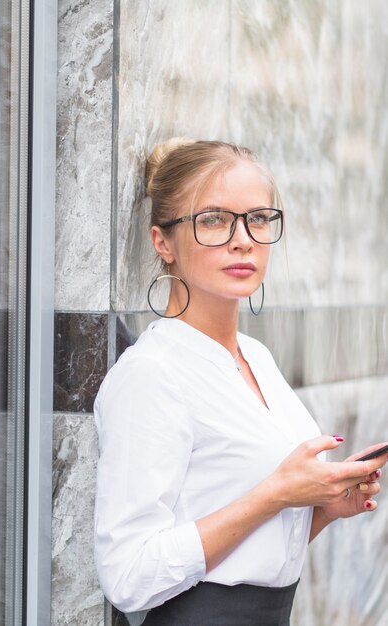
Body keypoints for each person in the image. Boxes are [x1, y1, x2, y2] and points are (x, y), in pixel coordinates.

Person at [93, 139, 387, 626]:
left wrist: (322, 508)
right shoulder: (152, 374)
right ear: (162, 242)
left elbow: (243, 560)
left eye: (258, 218)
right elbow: (128, 577)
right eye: (212, 220)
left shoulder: (257, 357)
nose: (242, 239)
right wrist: (277, 493)